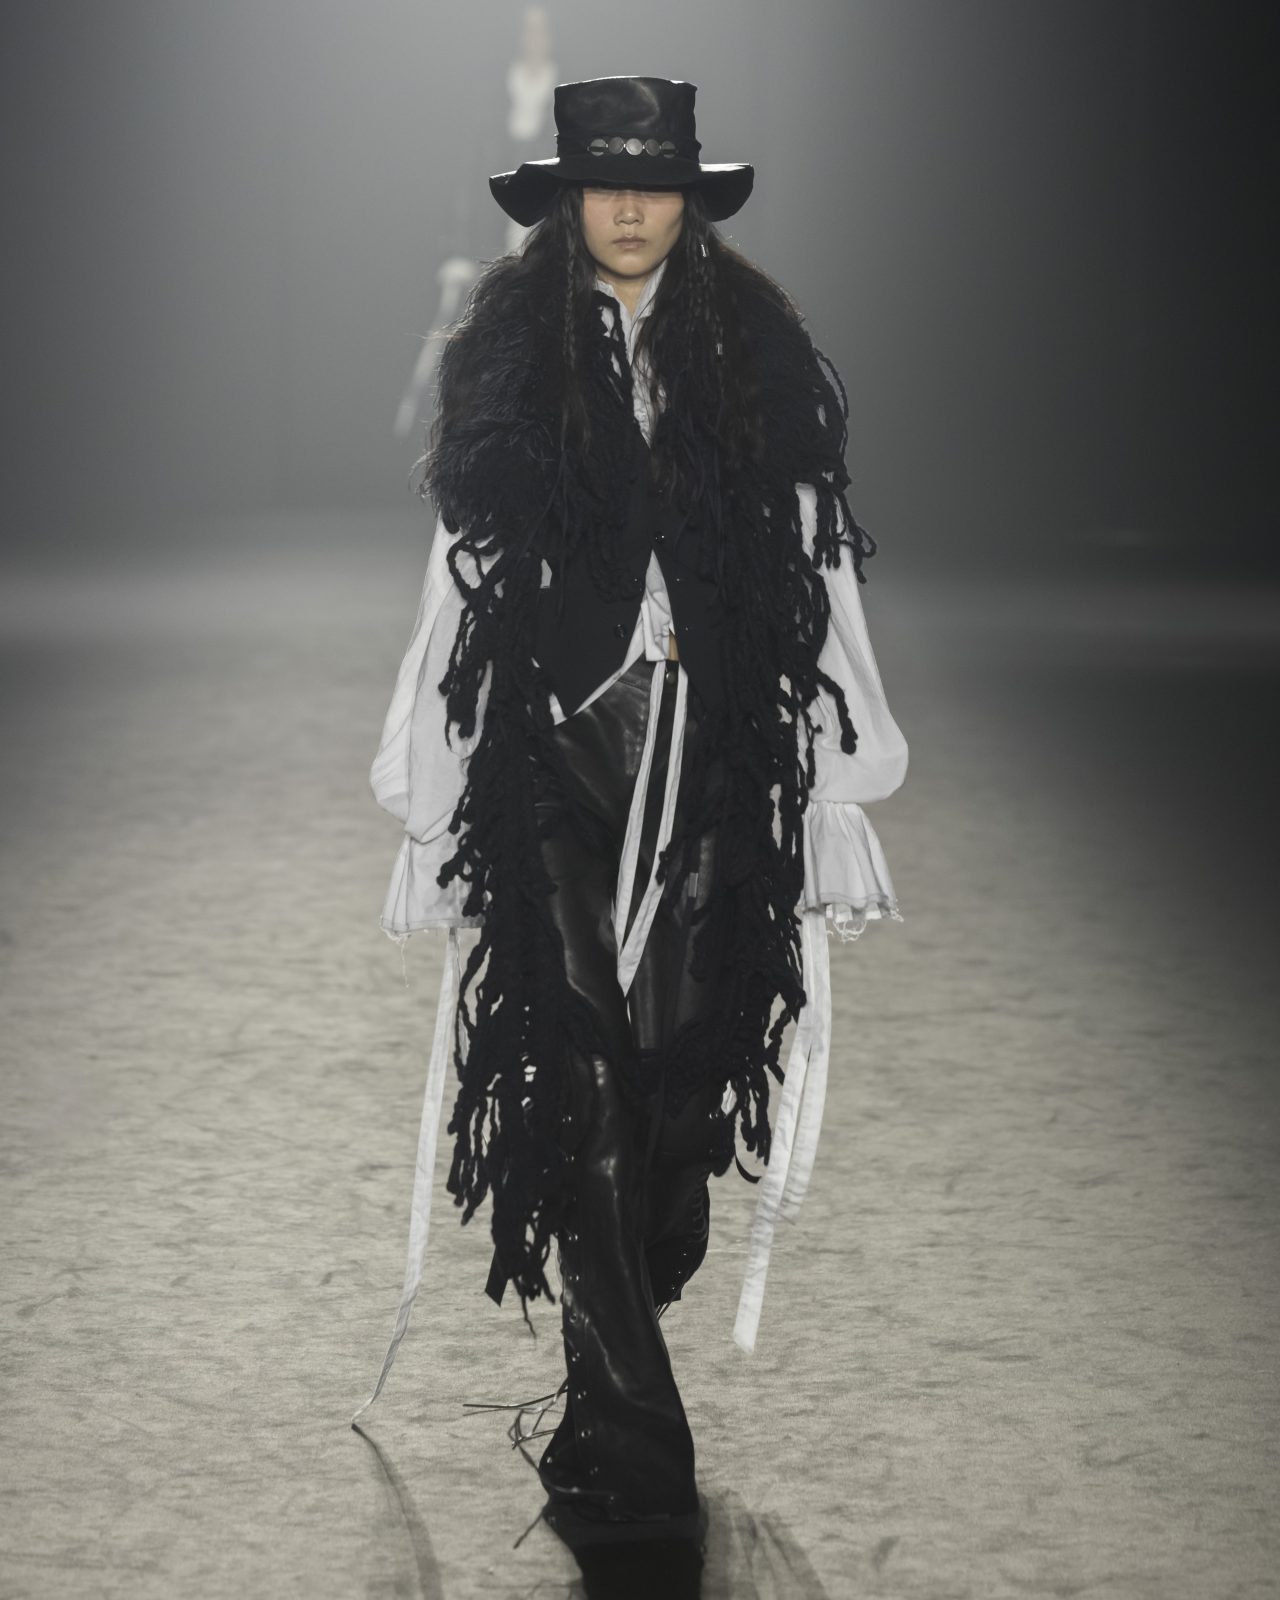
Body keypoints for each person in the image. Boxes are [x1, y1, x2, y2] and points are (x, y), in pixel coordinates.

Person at [354, 76, 909, 1538]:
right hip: (551, 751)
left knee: (671, 1089)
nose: (628, 206)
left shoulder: (757, 357)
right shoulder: (509, 358)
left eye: (653, 182)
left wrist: (843, 771)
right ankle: (640, 1457)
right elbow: (460, 574)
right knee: (580, 1076)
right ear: (565, 199)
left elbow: (816, 564)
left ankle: (636, 1284)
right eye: (604, 182)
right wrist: (428, 786)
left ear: (687, 200)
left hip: (713, 746)